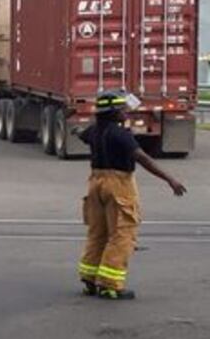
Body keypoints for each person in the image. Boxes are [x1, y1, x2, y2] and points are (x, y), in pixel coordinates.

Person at [76, 91, 186, 300]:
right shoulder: (120, 135)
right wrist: (170, 179)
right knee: (122, 234)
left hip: (95, 183)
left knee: (97, 233)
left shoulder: (93, 131)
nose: (126, 113)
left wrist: (76, 131)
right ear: (114, 113)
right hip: (119, 185)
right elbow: (143, 158)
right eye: (123, 109)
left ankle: (89, 279)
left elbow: (82, 135)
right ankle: (110, 285)